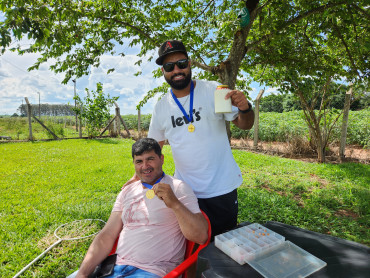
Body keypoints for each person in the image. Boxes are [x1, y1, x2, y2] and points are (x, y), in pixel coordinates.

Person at [147, 40, 255, 238]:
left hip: (221, 188)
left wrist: (245, 108)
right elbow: (153, 148)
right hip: (184, 192)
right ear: (163, 71)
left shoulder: (214, 90)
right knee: (191, 247)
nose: (176, 70)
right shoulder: (161, 107)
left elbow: (244, 124)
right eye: (170, 67)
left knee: (225, 245)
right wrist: (139, 178)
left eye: (181, 63)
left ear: (189, 64)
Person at [69, 138, 208, 278]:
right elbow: (107, 235)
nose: (145, 166)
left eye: (150, 159)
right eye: (139, 161)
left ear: (162, 159)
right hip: (115, 268)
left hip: (153, 271)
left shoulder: (178, 188)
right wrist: (82, 273)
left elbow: (201, 236)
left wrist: (175, 204)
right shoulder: (127, 191)